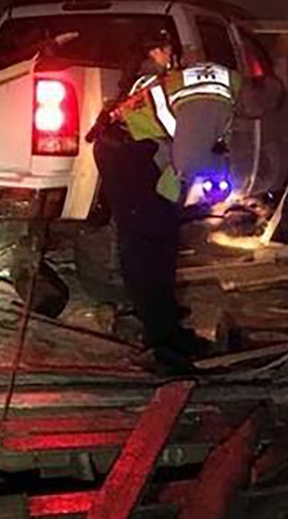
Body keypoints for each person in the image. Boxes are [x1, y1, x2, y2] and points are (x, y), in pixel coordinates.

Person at [88, 31, 241, 374]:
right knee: (149, 245)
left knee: (158, 242)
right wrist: (184, 195)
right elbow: (188, 160)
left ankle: (166, 330)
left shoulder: (206, 83)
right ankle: (161, 340)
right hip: (128, 156)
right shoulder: (215, 96)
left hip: (129, 151)